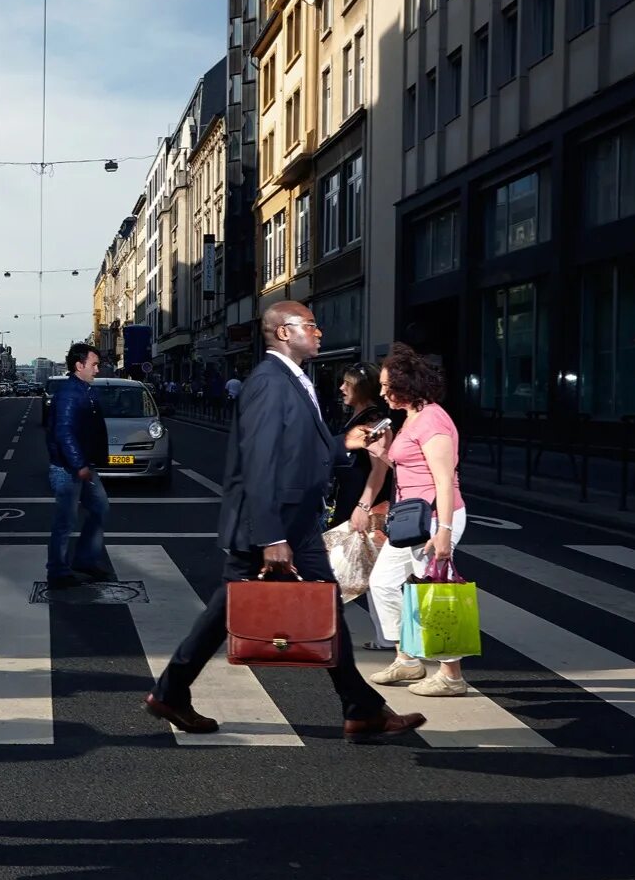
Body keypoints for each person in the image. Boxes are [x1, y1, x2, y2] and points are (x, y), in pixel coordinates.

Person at [144, 302, 426, 743]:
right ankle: (172, 690)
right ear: (282, 333)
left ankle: (361, 708)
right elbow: (259, 463)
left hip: (293, 522)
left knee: (313, 606)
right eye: (309, 325)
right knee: (235, 609)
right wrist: (272, 535)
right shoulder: (270, 383)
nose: (318, 331)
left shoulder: (294, 380)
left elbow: (300, 451)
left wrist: (343, 444)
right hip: (275, 524)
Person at [366, 343, 471, 697]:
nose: (382, 394)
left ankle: (451, 675)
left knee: (433, 592)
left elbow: (444, 478)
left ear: (408, 385)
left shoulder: (433, 420)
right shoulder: (412, 416)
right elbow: (414, 469)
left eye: (386, 386)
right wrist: (383, 453)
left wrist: (442, 532)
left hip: (434, 518)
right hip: (411, 518)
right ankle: (408, 660)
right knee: (382, 583)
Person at [331, 362, 395, 651]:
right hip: (352, 499)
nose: (342, 388)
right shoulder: (358, 416)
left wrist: (363, 505)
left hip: (366, 504)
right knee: (371, 570)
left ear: (361, 388)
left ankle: (389, 636)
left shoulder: (374, 420)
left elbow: (379, 468)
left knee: (371, 570)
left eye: (347, 383)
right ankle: (385, 635)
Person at [45, 345, 110, 590]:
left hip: (83, 465)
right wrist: (79, 465)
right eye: (94, 364)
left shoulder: (84, 390)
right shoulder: (70, 394)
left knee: (100, 509)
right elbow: (64, 433)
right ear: (79, 366)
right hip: (68, 468)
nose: (97, 368)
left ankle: (86, 559)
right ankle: (57, 571)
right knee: (65, 521)